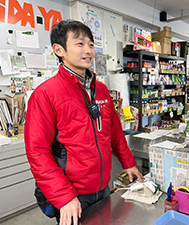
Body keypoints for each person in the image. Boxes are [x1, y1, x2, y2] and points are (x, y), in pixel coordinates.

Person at [24, 20, 144, 225]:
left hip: (103, 186)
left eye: (90, 44)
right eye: (80, 44)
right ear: (59, 50)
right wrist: (64, 196)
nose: (89, 50)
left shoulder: (102, 90)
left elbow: (114, 131)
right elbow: (37, 152)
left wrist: (129, 162)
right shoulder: (45, 94)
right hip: (72, 193)